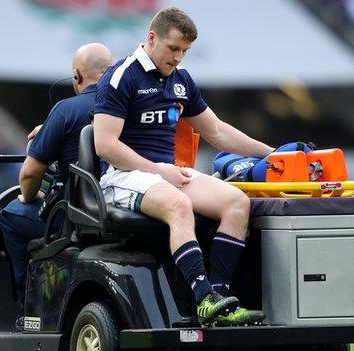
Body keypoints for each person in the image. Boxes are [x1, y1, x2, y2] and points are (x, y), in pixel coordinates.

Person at [93, 7, 272, 326]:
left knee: (236, 203)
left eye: (185, 51)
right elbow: (106, 145)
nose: (178, 58)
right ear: (151, 38)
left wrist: (272, 153)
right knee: (179, 204)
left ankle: (218, 300)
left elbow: (216, 131)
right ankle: (203, 297)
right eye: (174, 48)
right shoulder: (122, 75)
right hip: (124, 176)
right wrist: (159, 170)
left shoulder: (181, 80)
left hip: (166, 172)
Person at [0, 43, 113, 303]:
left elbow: (29, 174)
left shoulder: (65, 109)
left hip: (72, 218)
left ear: (77, 76)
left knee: (10, 214)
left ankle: (24, 300)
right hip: (117, 210)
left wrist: (28, 197)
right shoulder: (127, 109)